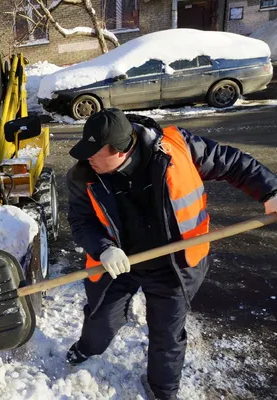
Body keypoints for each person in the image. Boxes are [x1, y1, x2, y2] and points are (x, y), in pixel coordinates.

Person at [65, 108, 277, 400]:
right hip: (119, 263)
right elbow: (80, 221)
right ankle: (87, 347)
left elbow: (232, 162)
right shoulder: (82, 176)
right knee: (101, 318)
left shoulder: (177, 147)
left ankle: (163, 391)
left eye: (93, 151)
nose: (86, 157)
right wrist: (104, 249)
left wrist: (271, 191)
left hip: (175, 264)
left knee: (167, 333)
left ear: (121, 150)